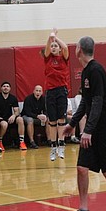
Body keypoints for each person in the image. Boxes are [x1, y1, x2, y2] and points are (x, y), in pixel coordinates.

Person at [64, 36, 106, 211]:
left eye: (75, 47)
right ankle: (83, 208)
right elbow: (86, 101)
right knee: (82, 168)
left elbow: (98, 101)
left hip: (105, 128)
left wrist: (88, 130)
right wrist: (73, 123)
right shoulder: (85, 72)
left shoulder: (96, 70)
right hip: (92, 128)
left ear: (79, 50)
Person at [43, 29, 69, 161]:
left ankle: (61, 145)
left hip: (61, 90)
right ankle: (53, 147)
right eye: (52, 46)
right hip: (50, 92)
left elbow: (65, 47)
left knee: (61, 119)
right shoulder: (48, 58)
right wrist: (50, 38)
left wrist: (56, 37)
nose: (53, 47)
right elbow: (47, 47)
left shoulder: (63, 58)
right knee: (52, 120)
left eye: (55, 46)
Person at [0, 81, 27, 151]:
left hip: (10, 118)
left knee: (20, 119)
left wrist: (13, 116)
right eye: (4, 86)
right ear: (1, 88)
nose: (6, 88)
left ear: (10, 88)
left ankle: (21, 142)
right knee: (4, 124)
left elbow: (17, 111)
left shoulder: (13, 98)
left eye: (7, 86)